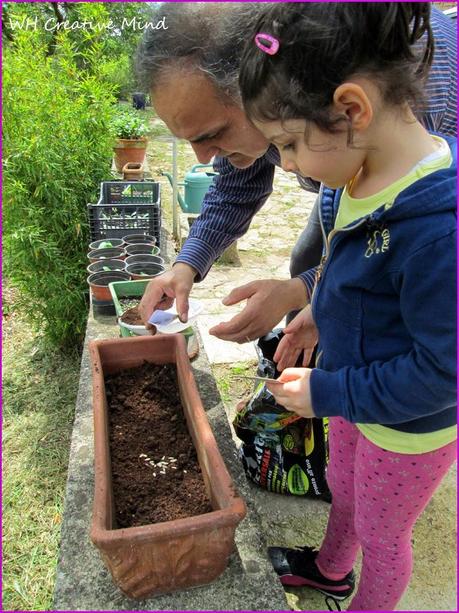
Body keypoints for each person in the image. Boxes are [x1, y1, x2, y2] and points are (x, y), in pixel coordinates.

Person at [237, 3, 456, 611]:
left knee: (386, 534)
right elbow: (349, 267)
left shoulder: (439, 231)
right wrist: (316, 306)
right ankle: (332, 570)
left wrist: (329, 394)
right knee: (344, 487)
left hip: (410, 426)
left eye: (287, 144)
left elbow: (444, 373)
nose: (285, 164)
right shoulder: (353, 182)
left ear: (351, 109)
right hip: (355, 392)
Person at [135, 3, 457, 341]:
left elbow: (384, 256)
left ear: (260, 82)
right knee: (308, 258)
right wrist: (185, 265)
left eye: (213, 134)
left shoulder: (397, 100)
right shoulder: (278, 96)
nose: (202, 157)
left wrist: (305, 294)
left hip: (423, 205)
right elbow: (235, 188)